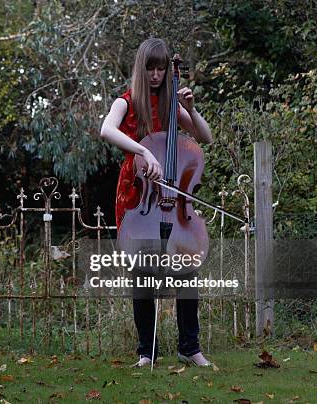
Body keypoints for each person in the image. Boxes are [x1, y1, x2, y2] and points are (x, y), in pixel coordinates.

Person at [99, 38, 213, 368]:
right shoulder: (128, 101)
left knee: (187, 270)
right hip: (138, 195)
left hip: (172, 198)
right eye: (150, 68)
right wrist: (142, 150)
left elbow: (205, 137)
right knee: (143, 273)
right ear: (141, 68)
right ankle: (146, 352)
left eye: (161, 68)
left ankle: (189, 348)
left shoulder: (170, 105)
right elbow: (106, 129)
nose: (156, 74)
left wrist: (190, 108)